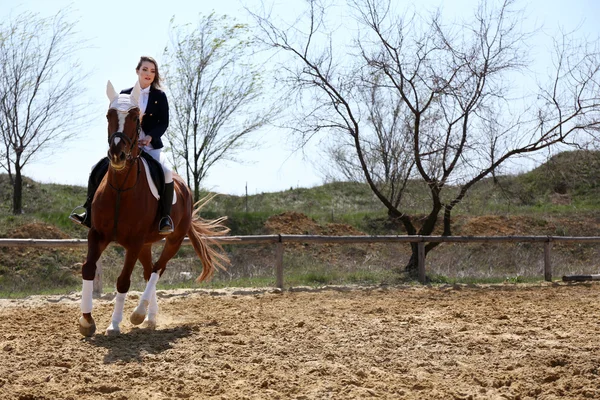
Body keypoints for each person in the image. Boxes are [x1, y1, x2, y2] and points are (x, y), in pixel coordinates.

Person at [70, 56, 174, 234]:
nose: (148, 74)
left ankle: (165, 217)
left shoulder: (160, 96)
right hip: (126, 147)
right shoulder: (123, 94)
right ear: (137, 71)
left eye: (152, 71)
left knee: (166, 172)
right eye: (145, 70)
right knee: (96, 167)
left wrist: (149, 136)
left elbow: (163, 122)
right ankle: (88, 210)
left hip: (149, 147)